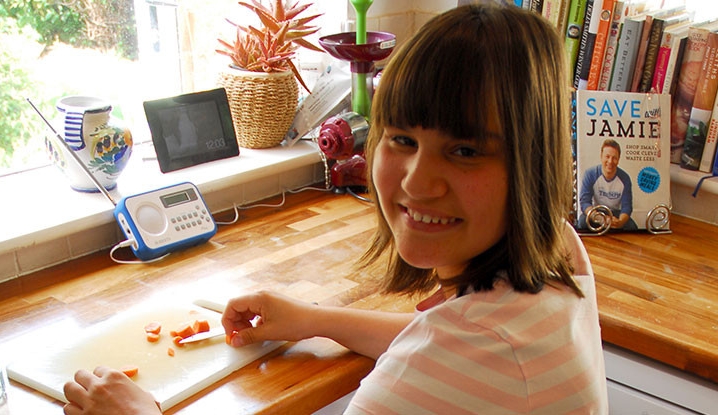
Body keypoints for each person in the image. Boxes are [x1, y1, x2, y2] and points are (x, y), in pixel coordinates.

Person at [62, 4, 608, 414]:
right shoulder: (557, 249)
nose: (418, 182)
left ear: (529, 166)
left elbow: (444, 354)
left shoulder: (439, 369)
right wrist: (314, 320)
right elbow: (448, 342)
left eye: (465, 151)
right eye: (401, 139)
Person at [578, 138, 637, 231]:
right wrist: (600, 219)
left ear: (618, 160)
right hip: (597, 212)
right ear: (601, 156)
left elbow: (627, 206)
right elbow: (584, 202)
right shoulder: (590, 174)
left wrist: (620, 222)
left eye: (614, 158)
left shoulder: (625, 178)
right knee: (582, 222)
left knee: (632, 227)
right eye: (607, 156)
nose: (610, 161)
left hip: (616, 214)